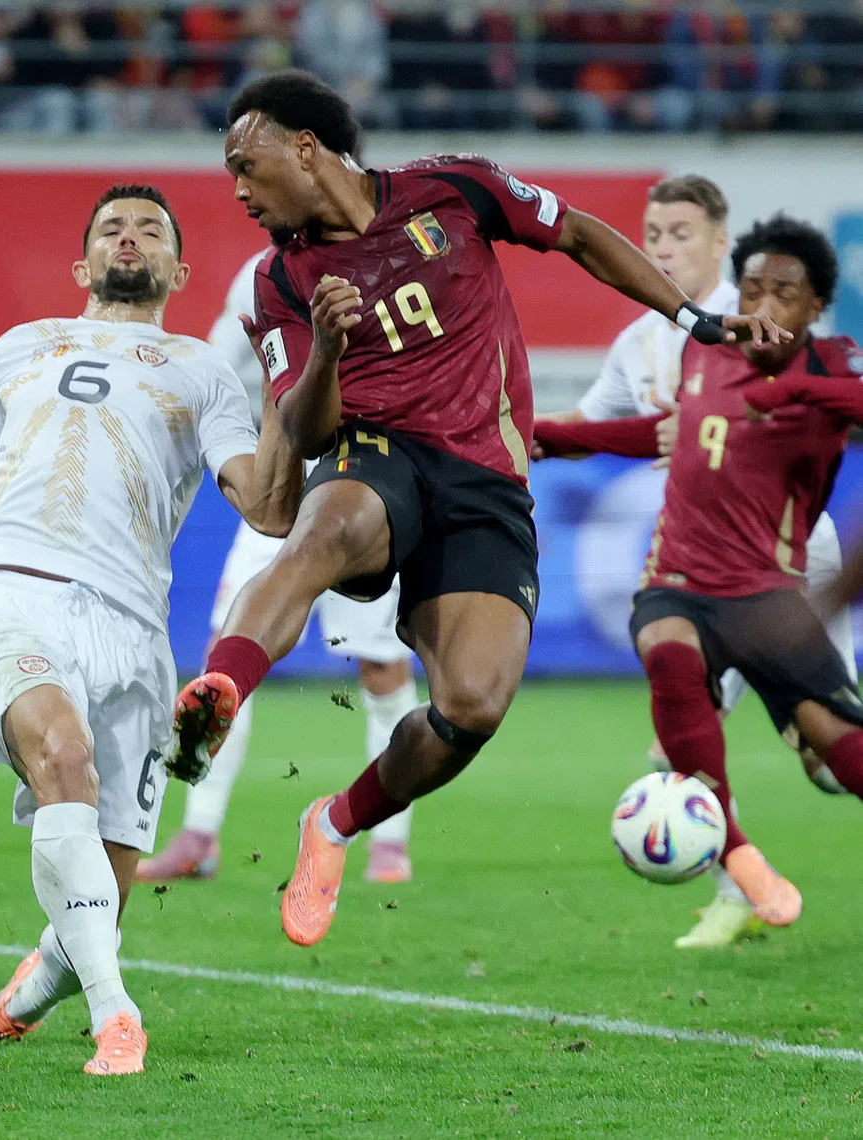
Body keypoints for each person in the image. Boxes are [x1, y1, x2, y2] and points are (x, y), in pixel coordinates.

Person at [168, 69, 784, 949]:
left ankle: (336, 823)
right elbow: (308, 431)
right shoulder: (281, 282)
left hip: (487, 483)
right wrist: (329, 352)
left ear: (305, 147)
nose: (235, 188)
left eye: (245, 160)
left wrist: (693, 319)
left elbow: (573, 232)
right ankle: (220, 690)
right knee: (323, 530)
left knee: (473, 708)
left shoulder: (454, 189)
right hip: (375, 451)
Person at [0, 185, 302, 1076]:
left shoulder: (203, 373)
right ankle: (117, 1017)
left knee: (105, 880)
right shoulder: (21, 348)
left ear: (178, 268)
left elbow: (267, 505)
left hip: (133, 626)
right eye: (111, 228)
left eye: (150, 231)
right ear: (81, 263)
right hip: (13, 591)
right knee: (62, 757)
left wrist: (285, 388)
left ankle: (21, 1001)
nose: (128, 239)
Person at [545, 174, 857, 949]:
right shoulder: (703, 346)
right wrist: (553, 436)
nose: (762, 305)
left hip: (773, 594)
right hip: (677, 578)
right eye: (753, 289)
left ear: (815, 305)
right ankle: (740, 865)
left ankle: (758, 831)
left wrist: (791, 395)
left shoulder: (834, 362)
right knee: (666, 653)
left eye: (784, 292)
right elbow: (667, 426)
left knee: (833, 757)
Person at [137, 251, 420, 887]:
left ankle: (389, 842)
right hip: (285, 493)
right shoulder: (265, 269)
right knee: (225, 665)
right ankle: (198, 835)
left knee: (380, 665)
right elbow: (218, 361)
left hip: (369, 491)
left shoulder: (391, 254)